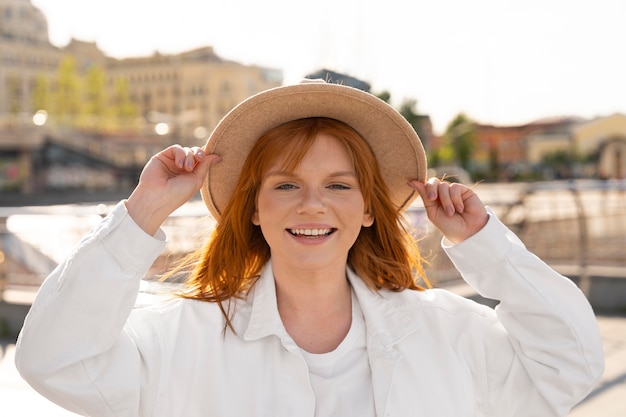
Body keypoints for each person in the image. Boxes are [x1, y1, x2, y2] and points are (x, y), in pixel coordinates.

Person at [15, 80, 603, 417]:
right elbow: (55, 362)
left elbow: (568, 367)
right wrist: (142, 212)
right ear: (253, 207)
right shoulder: (179, 338)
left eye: (339, 186)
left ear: (369, 209)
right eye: (287, 185)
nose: (312, 205)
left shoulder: (447, 330)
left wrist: (487, 247)